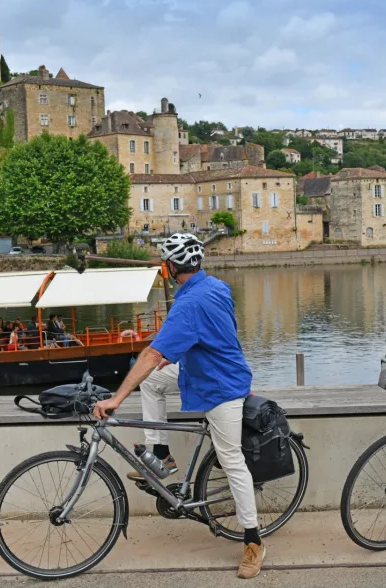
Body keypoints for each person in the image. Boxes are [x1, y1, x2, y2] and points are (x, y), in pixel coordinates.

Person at [93, 233, 265, 579]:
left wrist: (116, 398)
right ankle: (162, 455)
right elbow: (215, 332)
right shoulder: (216, 286)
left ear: (171, 267)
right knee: (153, 381)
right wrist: (178, 352)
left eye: (165, 264)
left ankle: (253, 541)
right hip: (202, 370)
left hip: (222, 386)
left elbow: (151, 354)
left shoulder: (188, 305)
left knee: (232, 461)